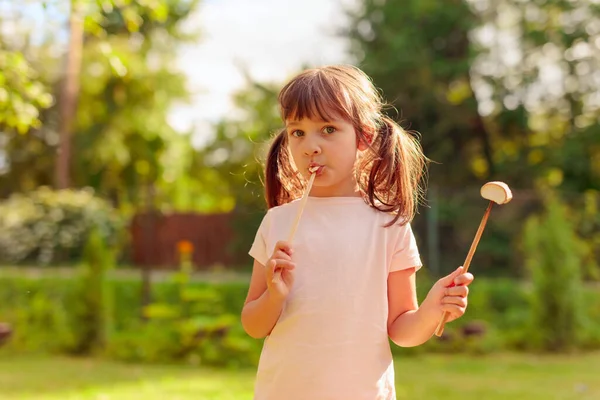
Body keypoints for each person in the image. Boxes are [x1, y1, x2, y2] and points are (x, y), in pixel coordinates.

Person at [241, 65, 474, 400]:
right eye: (298, 132)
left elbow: (401, 329)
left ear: (363, 137)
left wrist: (431, 311)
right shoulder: (277, 223)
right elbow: (253, 324)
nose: (311, 146)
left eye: (328, 129)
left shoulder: (388, 225)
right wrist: (274, 296)